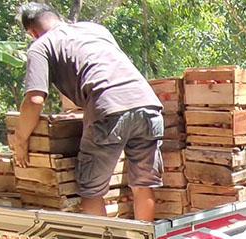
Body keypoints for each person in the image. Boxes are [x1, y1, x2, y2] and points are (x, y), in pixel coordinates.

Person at [12, 3, 164, 221]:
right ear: (58, 17)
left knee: (91, 192)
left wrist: (20, 140)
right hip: (148, 106)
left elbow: (35, 100)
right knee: (143, 185)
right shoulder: (95, 30)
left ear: (32, 32)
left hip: (108, 111)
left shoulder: (41, 46)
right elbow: (98, 69)